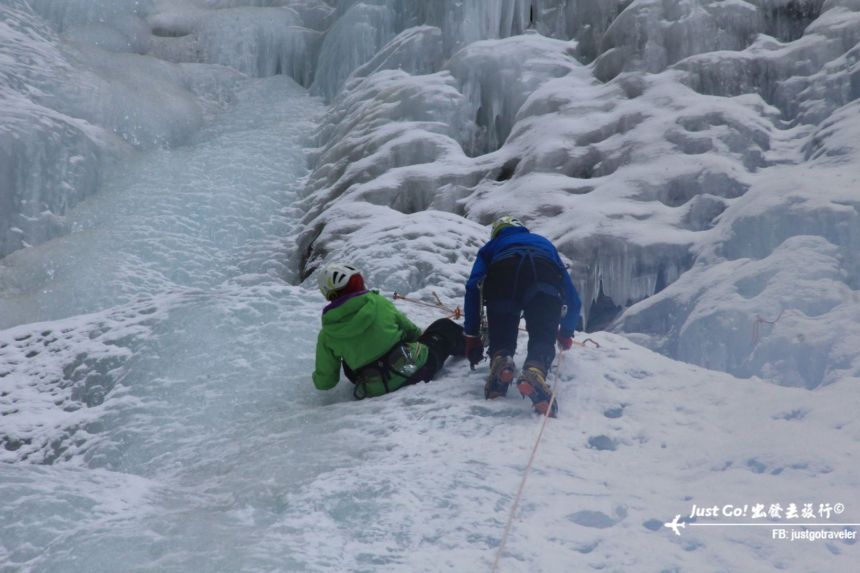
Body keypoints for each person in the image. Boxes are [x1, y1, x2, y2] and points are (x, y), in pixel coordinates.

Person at [463, 216, 582, 417]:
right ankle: (535, 369)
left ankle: (502, 359)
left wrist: (471, 335)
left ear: (498, 232)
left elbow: (473, 286)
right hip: (543, 273)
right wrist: (566, 331)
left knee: (502, 329)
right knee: (543, 333)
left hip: (503, 273)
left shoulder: (492, 246)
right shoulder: (543, 243)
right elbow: (572, 296)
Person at [313, 262, 465, 399]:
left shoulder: (327, 334)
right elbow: (412, 333)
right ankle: (474, 343)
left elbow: (325, 383)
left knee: (349, 361)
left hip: (374, 390)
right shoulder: (378, 302)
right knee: (444, 325)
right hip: (418, 372)